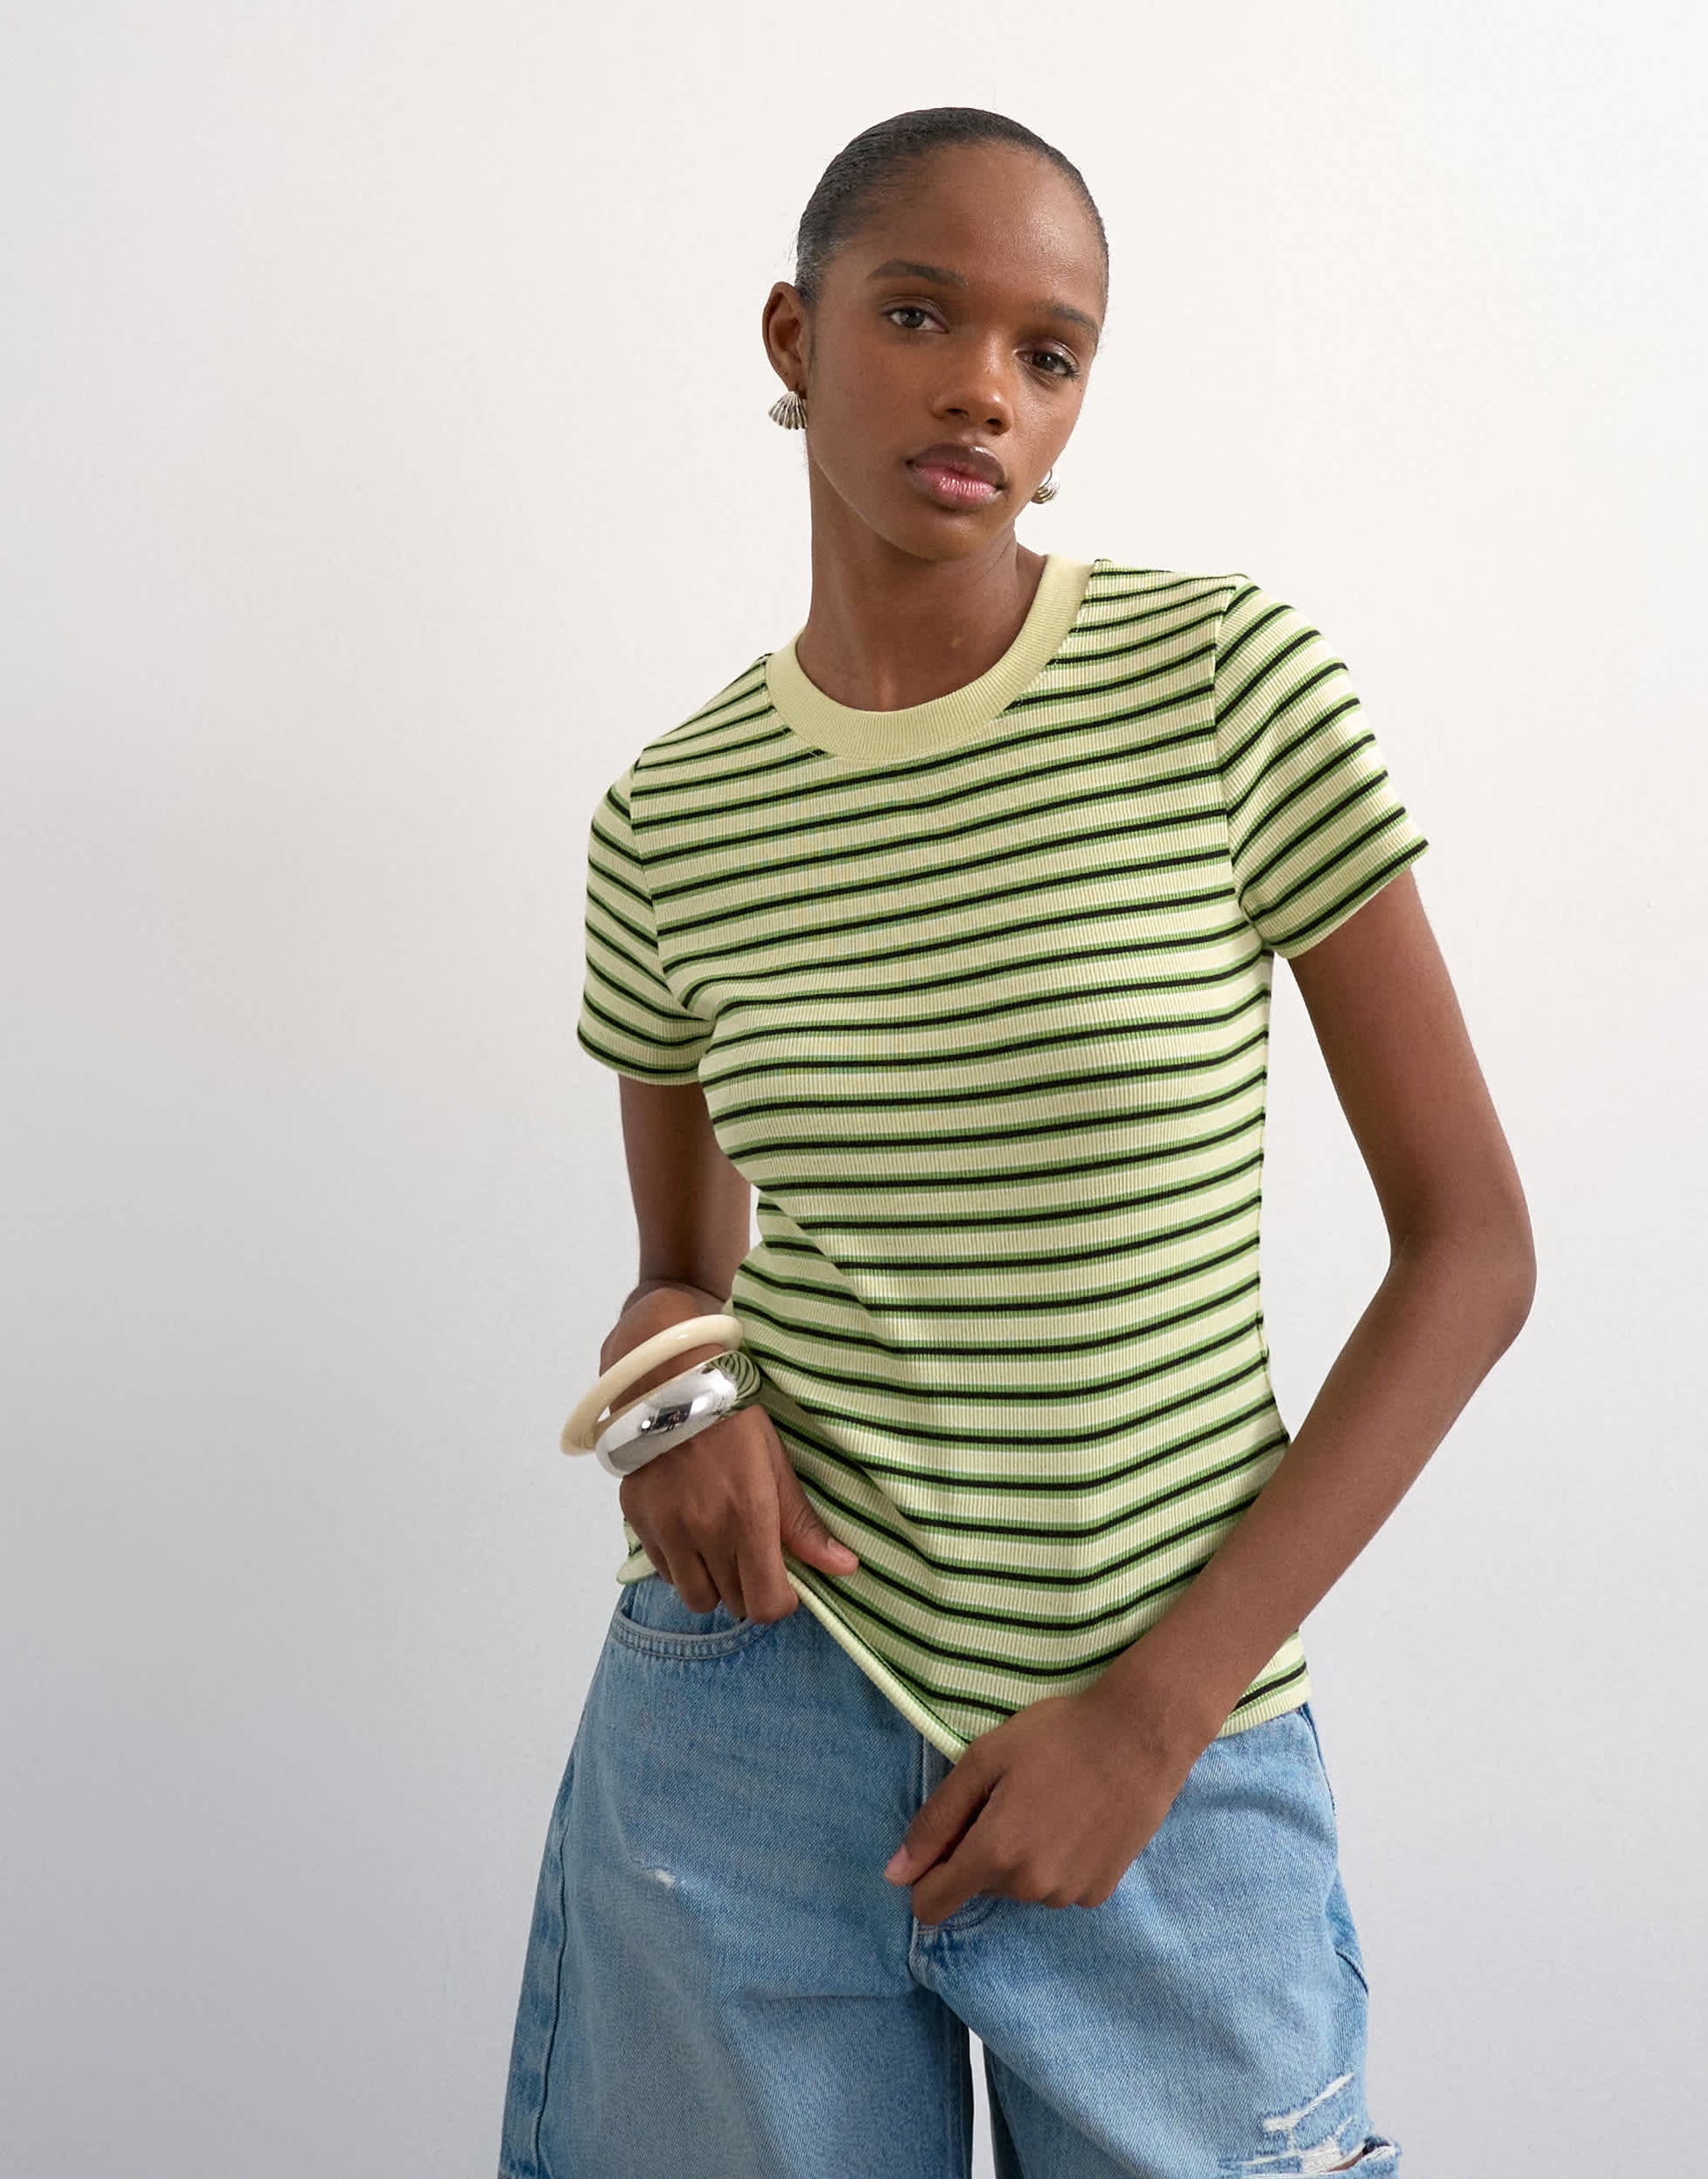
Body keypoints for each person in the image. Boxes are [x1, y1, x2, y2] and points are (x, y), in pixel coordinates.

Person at [498, 106, 1535, 2179]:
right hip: (751, 1720)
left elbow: (1473, 1250)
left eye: (1047, 353)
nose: (983, 386)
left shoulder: (1220, 684)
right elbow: (680, 1275)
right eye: (918, 315)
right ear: (794, 335)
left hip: (1168, 1734)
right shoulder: (671, 816)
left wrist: (1153, 1719)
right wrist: (671, 1404)